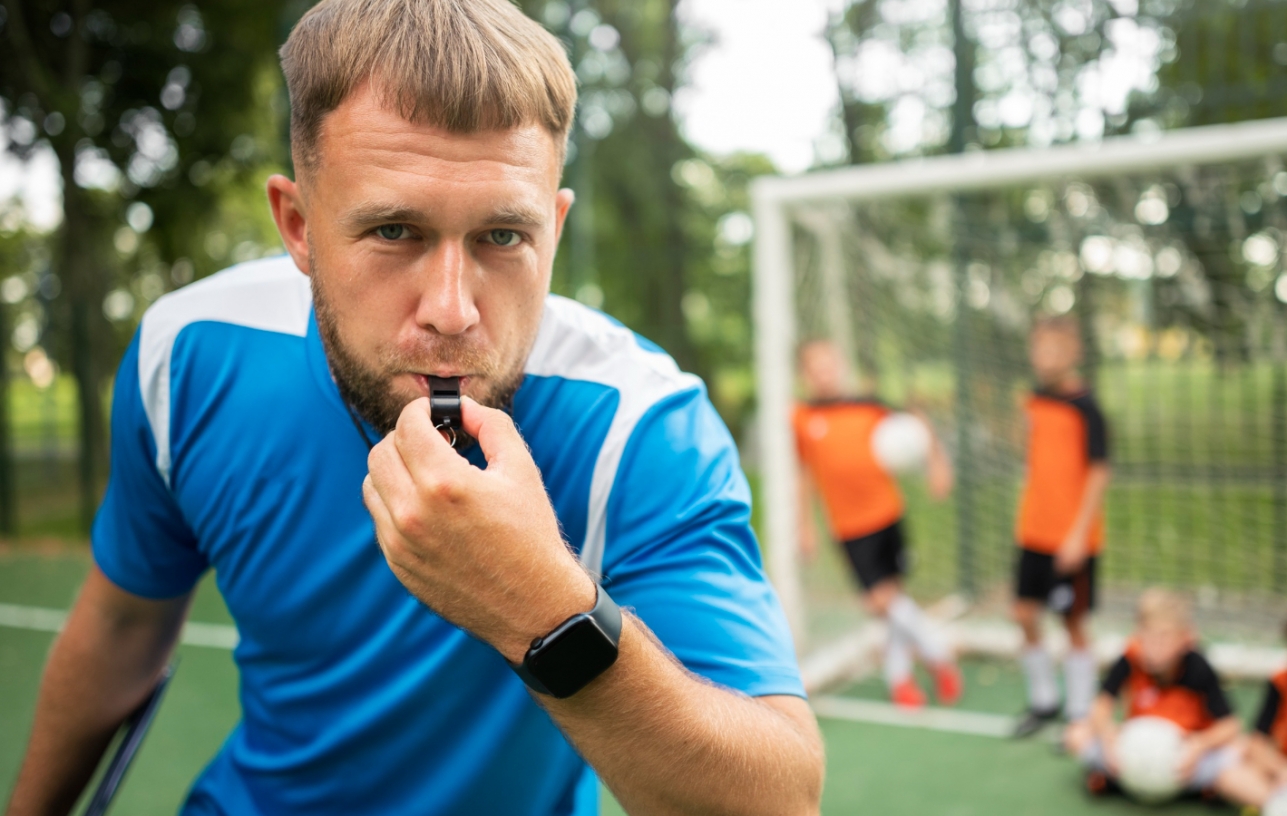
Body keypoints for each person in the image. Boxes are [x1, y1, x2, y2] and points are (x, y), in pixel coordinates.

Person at [4, 2, 824, 815]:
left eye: (503, 237)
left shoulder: (637, 425)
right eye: (394, 230)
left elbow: (777, 801)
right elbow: (121, 629)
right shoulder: (186, 358)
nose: (451, 310)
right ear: (297, 224)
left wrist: (545, 608)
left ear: (554, 228)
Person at [793, 339, 961, 709]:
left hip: (888, 513)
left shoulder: (869, 405)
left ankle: (901, 681)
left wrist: (938, 464)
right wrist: (803, 525)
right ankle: (938, 655)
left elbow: (919, 422)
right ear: (803, 374)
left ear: (840, 364)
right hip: (848, 527)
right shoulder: (802, 418)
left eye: (829, 363)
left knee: (893, 599)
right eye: (814, 367)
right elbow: (802, 474)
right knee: (880, 603)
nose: (823, 372)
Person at [1064, 589, 1273, 807]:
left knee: (1241, 750)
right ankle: (1124, 779)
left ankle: (1120, 783)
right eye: (1149, 637)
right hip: (1134, 752)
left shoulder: (1197, 668)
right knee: (1076, 734)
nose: (1155, 647)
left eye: (1164, 638)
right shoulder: (1131, 658)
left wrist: (1199, 745)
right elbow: (1101, 705)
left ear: (1186, 639)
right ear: (1138, 635)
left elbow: (1230, 726)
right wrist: (1108, 737)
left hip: (1186, 760)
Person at [1012, 315, 1112, 737]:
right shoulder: (1032, 401)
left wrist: (1076, 534)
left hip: (1074, 540)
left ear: (1074, 354)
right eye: (1040, 347)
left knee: (1072, 623)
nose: (1046, 357)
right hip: (1032, 530)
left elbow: (1098, 473)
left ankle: (1079, 711)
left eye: (1056, 349)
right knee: (1022, 613)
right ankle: (1043, 700)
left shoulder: (1088, 409)